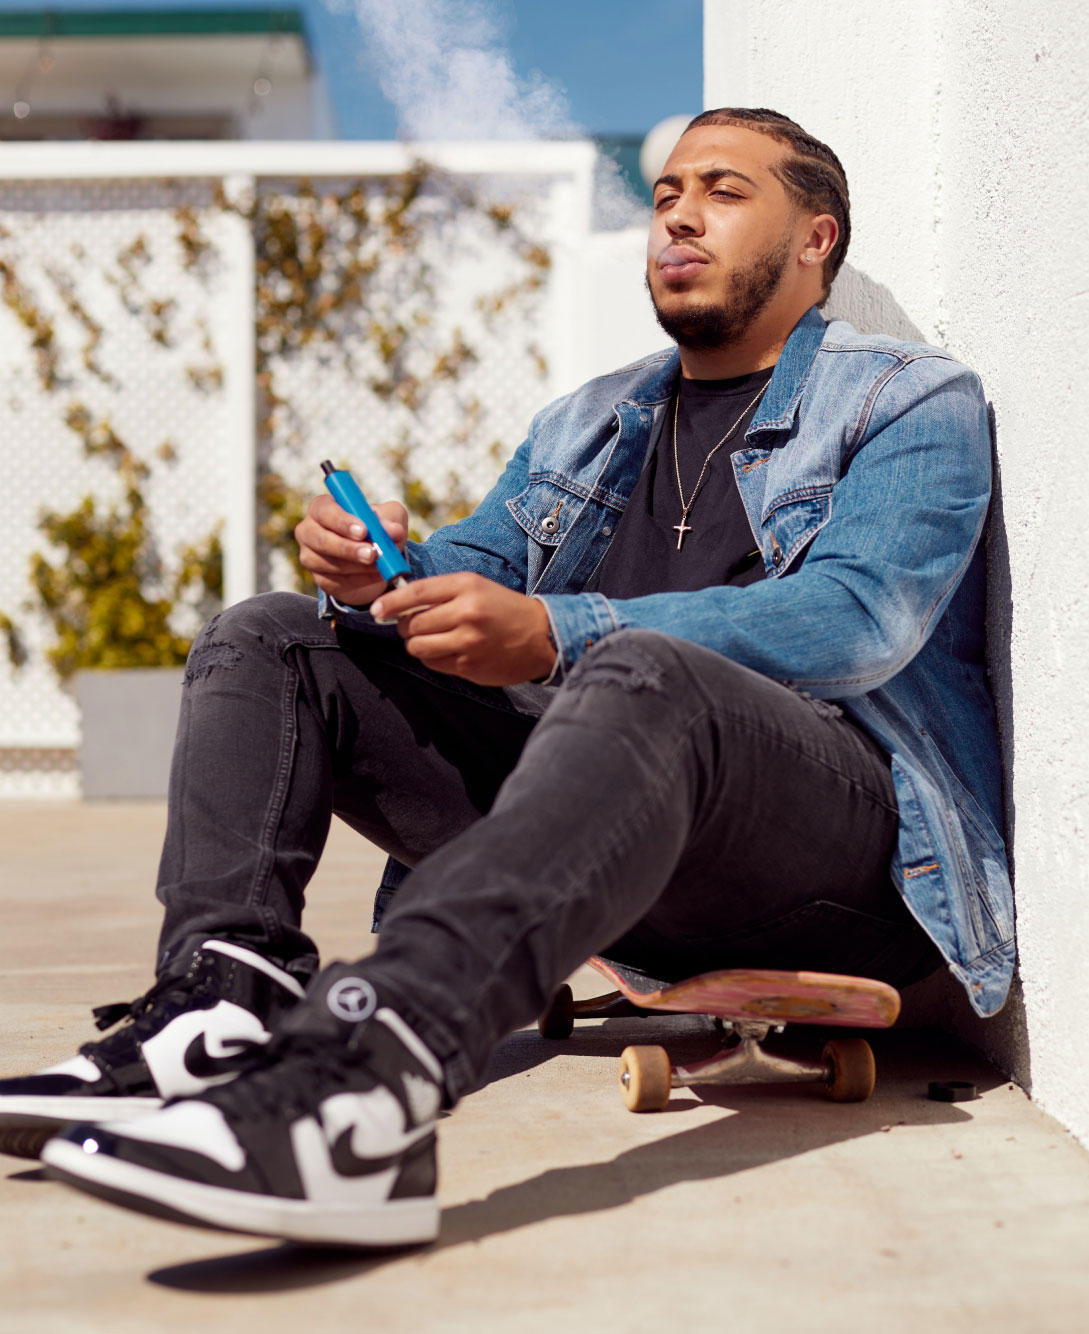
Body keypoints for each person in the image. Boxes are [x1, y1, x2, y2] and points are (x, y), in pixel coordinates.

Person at [0, 108, 1012, 1249]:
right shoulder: (590, 420)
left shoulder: (908, 400)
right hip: (618, 850)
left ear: (817, 237)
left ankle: (362, 1086)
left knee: (639, 668)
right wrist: (379, 569)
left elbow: (858, 618)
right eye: (668, 191)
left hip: (837, 862)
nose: (677, 211)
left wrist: (558, 631)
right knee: (276, 635)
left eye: (723, 190)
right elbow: (471, 573)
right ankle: (220, 1007)